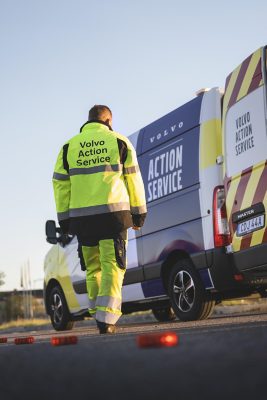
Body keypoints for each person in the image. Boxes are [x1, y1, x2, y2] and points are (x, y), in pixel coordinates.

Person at [52, 105, 147, 334]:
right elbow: (133, 179)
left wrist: (65, 220)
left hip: (83, 220)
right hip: (113, 217)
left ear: (88, 120)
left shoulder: (68, 147)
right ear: (109, 120)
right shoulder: (119, 141)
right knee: (112, 265)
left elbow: (60, 185)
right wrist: (139, 213)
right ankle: (106, 319)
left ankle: (98, 313)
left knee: (93, 267)